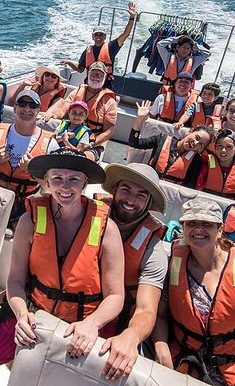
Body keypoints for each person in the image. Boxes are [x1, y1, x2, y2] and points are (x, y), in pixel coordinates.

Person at [0, 149, 125, 386]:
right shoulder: (29, 220)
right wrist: (22, 314)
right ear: (46, 182)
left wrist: (92, 324)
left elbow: (116, 296)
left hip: (81, 329)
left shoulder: (107, 228)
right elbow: (14, 281)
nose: (65, 187)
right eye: (57, 178)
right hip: (34, 316)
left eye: (74, 179)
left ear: (85, 183)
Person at [152, 197, 235, 386]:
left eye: (207, 224)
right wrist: (161, 350)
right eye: (191, 223)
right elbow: (159, 315)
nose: (198, 229)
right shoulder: (172, 264)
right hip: (183, 360)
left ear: (220, 230)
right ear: (183, 228)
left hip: (234, 366)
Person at [97, 163, 169, 380]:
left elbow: (146, 309)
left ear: (148, 203)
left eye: (141, 195)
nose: (130, 200)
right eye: (126, 190)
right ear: (115, 191)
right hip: (69, 303)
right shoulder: (86, 214)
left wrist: (131, 335)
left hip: (113, 322)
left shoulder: (153, 248)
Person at [0, 90, 58, 225]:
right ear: (15, 108)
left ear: (38, 111)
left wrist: (34, 171)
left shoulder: (50, 144)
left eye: (32, 105)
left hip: (25, 208)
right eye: (22, 103)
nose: (27, 108)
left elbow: (52, 188)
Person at [128, 100, 213, 188]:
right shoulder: (161, 139)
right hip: (150, 185)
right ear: (191, 131)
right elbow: (134, 143)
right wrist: (139, 119)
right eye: (196, 137)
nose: (195, 143)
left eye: (201, 144)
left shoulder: (196, 161)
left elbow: (189, 186)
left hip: (171, 193)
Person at [44, 62, 117, 162]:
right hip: (67, 136)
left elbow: (108, 131)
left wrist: (91, 144)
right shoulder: (76, 92)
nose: (95, 77)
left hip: (91, 143)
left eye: (99, 74)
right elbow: (62, 110)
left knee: (81, 160)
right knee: (45, 146)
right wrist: (53, 114)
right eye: (93, 73)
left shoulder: (110, 102)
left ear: (105, 77)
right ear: (88, 74)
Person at [60, 1, 138, 88]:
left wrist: (132, 18)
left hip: (105, 86)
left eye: (101, 35)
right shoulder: (88, 51)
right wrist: (69, 62)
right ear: (92, 37)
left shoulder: (111, 47)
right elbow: (80, 68)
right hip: (90, 85)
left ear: (105, 37)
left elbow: (125, 35)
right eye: (96, 35)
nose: (98, 37)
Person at [197, 129, 235, 200]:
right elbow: (198, 190)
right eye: (220, 146)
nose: (223, 150)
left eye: (229, 147)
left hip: (230, 208)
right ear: (215, 148)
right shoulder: (205, 167)